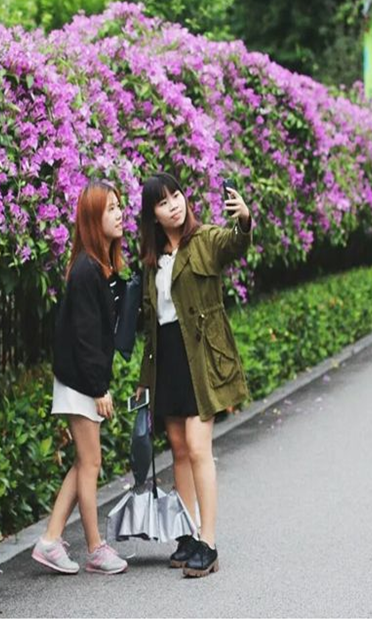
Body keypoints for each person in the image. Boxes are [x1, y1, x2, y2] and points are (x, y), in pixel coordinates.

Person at [135, 171, 252, 578]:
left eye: (178, 196)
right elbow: (150, 324)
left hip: (199, 358)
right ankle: (187, 533)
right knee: (179, 450)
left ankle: (209, 542)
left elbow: (235, 242)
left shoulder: (205, 241)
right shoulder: (151, 261)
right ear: (152, 214)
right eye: (164, 202)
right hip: (166, 359)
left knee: (200, 448)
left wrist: (244, 219)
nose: (175, 205)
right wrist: (142, 379)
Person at [31, 181, 129, 576]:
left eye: (119, 206)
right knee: (91, 462)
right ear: (92, 219)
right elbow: (87, 337)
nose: (119, 213)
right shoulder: (87, 269)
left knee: (84, 462)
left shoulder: (99, 267)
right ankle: (95, 548)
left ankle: (51, 540)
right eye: (110, 209)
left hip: (79, 379)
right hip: (80, 381)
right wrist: (99, 388)